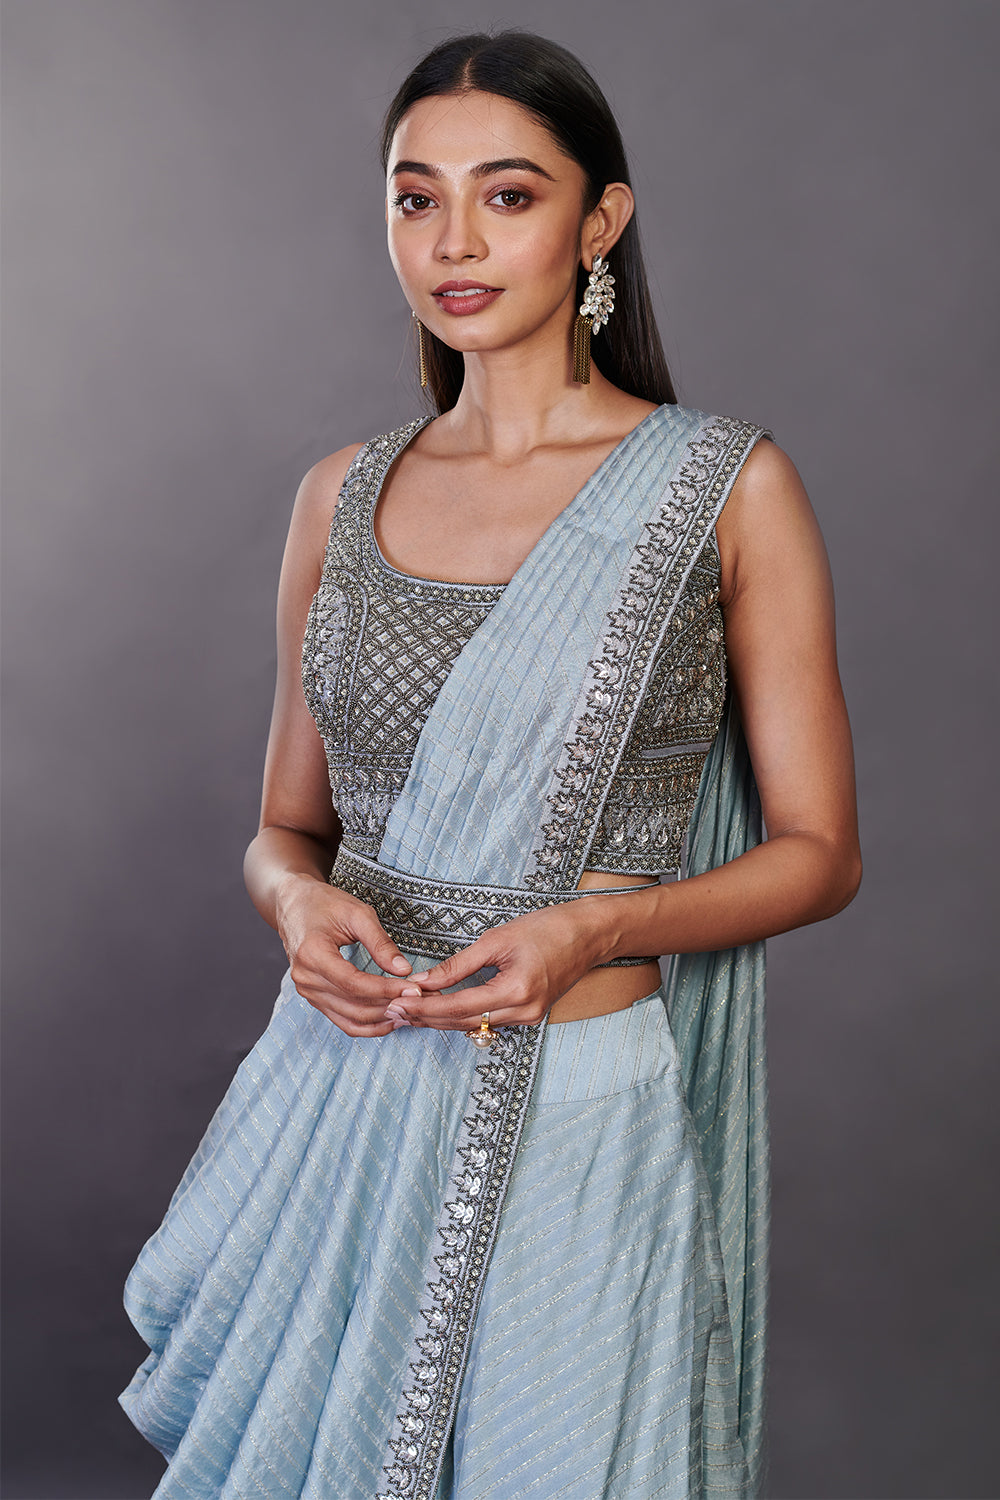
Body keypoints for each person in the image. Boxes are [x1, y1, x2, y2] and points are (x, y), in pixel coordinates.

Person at [120, 30, 860, 1500]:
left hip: (581, 1108)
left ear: (600, 222)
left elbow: (821, 854)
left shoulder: (724, 488)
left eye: (507, 195)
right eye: (417, 198)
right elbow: (285, 826)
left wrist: (596, 928)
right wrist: (293, 904)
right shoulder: (343, 495)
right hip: (346, 1092)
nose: (453, 241)